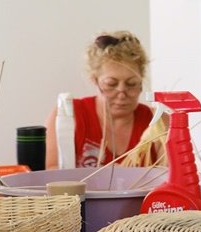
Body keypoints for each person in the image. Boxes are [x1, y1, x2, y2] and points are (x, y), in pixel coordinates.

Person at [45, 30, 163, 169]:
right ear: (95, 80)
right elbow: (51, 173)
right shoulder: (67, 116)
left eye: (131, 84)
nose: (122, 94)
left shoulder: (158, 124)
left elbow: (172, 180)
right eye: (111, 84)